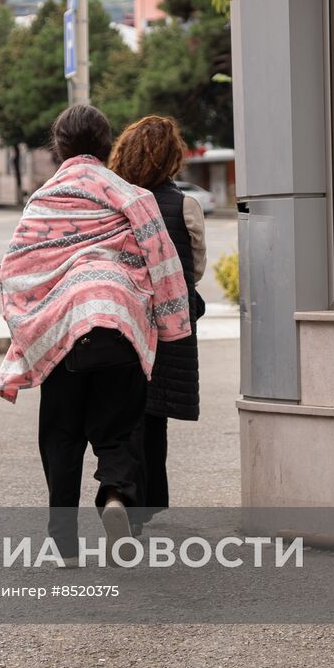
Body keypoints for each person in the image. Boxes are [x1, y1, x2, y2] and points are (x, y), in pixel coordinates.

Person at [0, 104, 191, 560]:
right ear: (107, 146)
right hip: (120, 325)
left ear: (58, 146)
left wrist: (28, 323)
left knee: (61, 434)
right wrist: (171, 327)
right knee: (120, 430)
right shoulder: (131, 194)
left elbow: (16, 267)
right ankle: (116, 497)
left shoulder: (43, 199)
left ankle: (64, 537)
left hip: (64, 330)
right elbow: (163, 262)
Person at [108, 116, 207, 527]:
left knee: (121, 411)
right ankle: (143, 507)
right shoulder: (186, 205)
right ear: (172, 158)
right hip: (168, 326)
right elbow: (195, 269)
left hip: (119, 320)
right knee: (154, 414)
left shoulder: (111, 201)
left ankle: (120, 495)